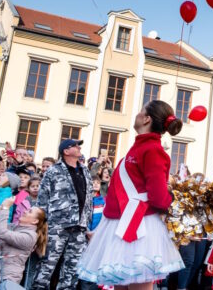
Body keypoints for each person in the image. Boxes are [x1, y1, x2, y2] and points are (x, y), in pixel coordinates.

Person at [78, 100, 184, 289]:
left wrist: (172, 202)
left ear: (146, 119)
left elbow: (158, 197)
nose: (136, 114)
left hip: (139, 224)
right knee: (119, 283)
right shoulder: (139, 147)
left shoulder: (153, 150)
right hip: (120, 222)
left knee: (137, 285)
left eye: (140, 110)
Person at [32, 138, 92, 290]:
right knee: (46, 267)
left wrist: (87, 225)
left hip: (80, 227)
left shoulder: (85, 170)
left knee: (72, 271)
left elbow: (88, 198)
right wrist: (41, 228)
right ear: (66, 151)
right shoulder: (53, 171)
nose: (79, 147)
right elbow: (42, 200)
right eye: (75, 145)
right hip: (57, 226)